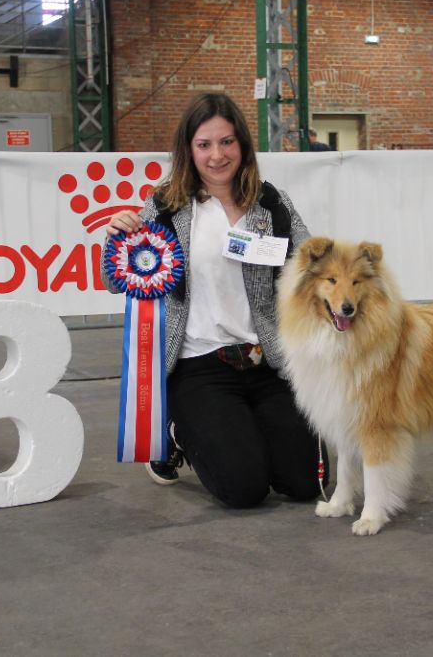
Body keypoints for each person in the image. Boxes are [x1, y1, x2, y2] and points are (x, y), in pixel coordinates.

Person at [103, 93, 327, 509]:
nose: (217, 155)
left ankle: (248, 431)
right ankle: (175, 433)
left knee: (305, 484)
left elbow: (313, 268)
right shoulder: (166, 205)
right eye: (204, 144)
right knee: (243, 490)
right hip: (198, 365)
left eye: (226, 142)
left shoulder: (272, 203)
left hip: (267, 361)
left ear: (242, 144)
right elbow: (115, 281)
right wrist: (116, 237)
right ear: (189, 149)